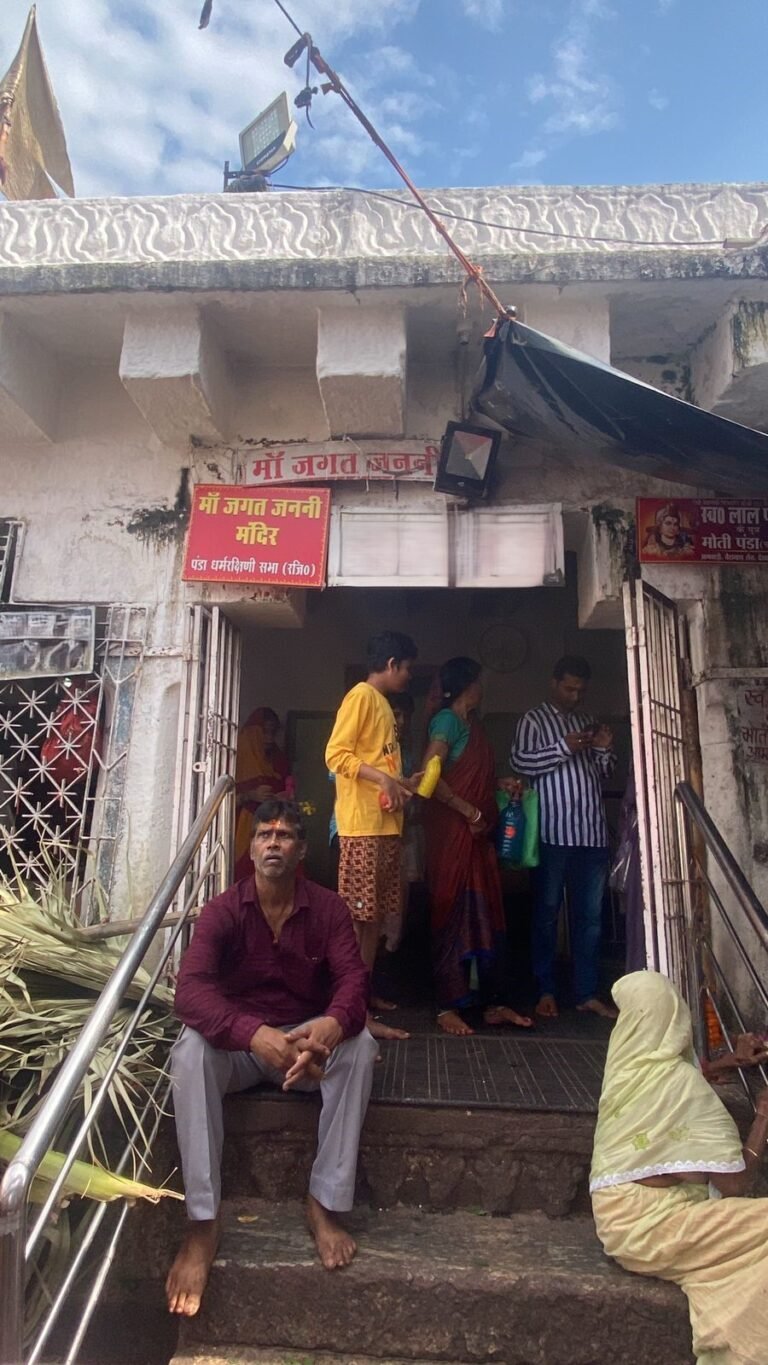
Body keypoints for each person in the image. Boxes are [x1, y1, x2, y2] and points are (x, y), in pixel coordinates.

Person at [166, 799, 377, 1318]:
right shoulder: (222, 911)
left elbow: (353, 982)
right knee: (190, 1050)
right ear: (251, 847)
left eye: (284, 835)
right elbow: (189, 993)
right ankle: (202, 1222)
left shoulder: (328, 909)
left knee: (363, 1047)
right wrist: (252, 1033)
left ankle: (323, 1204)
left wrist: (330, 1025)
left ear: (301, 849)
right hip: (242, 1050)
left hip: (307, 1052)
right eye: (264, 835)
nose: (273, 843)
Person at [591, 971, 768, 1365]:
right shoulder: (680, 1087)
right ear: (676, 1019)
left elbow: (673, 1074)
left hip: (617, 1224)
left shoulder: (627, 1065)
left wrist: (730, 1060)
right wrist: (762, 1118)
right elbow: (736, 1184)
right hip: (656, 1229)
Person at [422, 657, 533, 1037]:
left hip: (478, 836)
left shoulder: (475, 725)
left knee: (485, 913)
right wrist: (466, 808)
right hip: (452, 835)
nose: (483, 685)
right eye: (480, 679)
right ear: (469, 683)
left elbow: (472, 775)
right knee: (451, 912)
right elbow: (430, 775)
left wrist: (498, 784)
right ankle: (446, 1006)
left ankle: (491, 1003)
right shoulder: (447, 722)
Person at [510, 655, 616, 1020]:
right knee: (546, 914)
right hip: (552, 834)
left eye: (581, 690)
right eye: (569, 688)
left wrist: (602, 747)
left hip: (592, 834)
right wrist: (563, 747)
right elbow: (521, 763)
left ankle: (586, 992)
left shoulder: (589, 720)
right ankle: (545, 989)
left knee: (590, 918)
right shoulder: (533, 720)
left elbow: (605, 775)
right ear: (554, 683)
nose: (575, 695)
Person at [325, 631, 418, 1042]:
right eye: (408, 669)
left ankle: (359, 1003)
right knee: (360, 923)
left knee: (373, 922)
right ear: (393, 663)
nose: (409, 677)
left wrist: (402, 782)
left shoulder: (380, 704)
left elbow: (373, 764)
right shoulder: (361, 696)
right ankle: (352, 1014)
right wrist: (383, 776)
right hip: (362, 828)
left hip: (381, 828)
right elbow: (335, 755)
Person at [233, 707, 292, 879]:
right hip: (243, 830)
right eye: (264, 732)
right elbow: (222, 802)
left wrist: (283, 798)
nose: (269, 738)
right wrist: (250, 795)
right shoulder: (236, 758)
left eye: (273, 732)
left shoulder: (278, 758)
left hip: (275, 824)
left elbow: (289, 790)